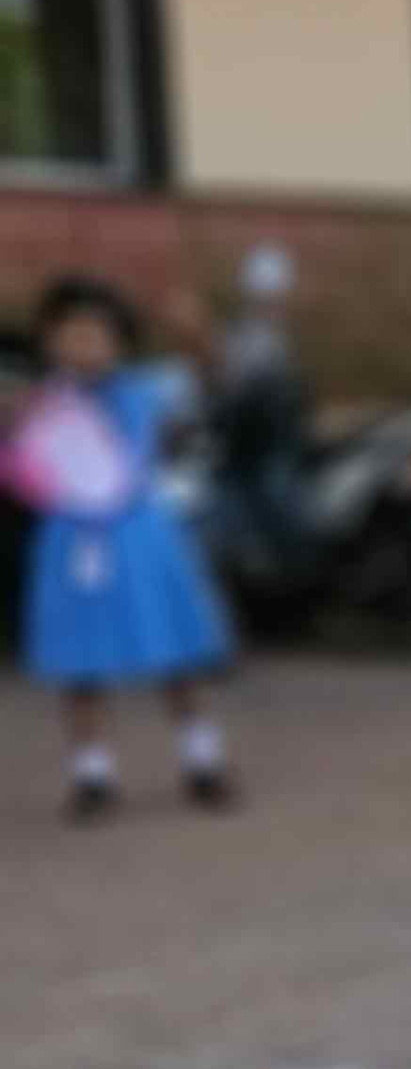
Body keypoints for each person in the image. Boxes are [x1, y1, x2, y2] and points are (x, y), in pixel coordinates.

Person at [10, 275, 238, 820]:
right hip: (71, 542)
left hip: (143, 539)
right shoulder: (39, 403)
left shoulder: (146, 389)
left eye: (97, 334)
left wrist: (196, 330)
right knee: (79, 661)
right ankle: (92, 774)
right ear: (50, 341)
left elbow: (209, 374)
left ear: (119, 341)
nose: (85, 345)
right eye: (72, 334)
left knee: (175, 654)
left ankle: (202, 760)